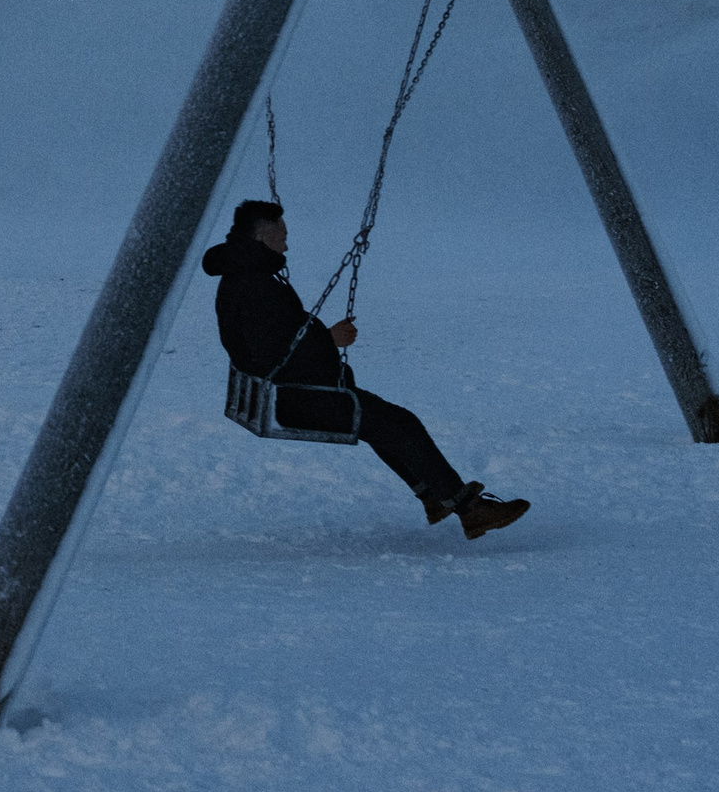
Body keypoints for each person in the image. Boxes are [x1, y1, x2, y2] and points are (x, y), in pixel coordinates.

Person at [202, 198, 529, 539]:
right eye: (281, 233)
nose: (288, 240)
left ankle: (433, 495)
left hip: (288, 390)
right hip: (293, 398)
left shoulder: (244, 273)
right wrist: (329, 339)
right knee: (399, 423)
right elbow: (272, 355)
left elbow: (275, 337)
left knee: (384, 422)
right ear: (261, 238)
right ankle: (469, 510)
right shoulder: (256, 285)